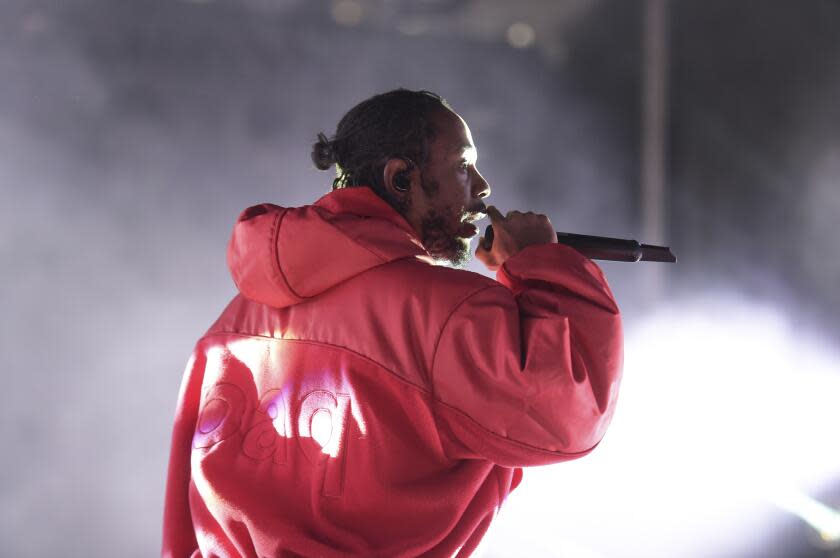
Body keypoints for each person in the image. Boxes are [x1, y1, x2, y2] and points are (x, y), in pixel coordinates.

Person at [162, 89, 623, 557]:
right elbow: (570, 414)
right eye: (463, 166)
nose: (483, 188)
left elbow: (184, 519)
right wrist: (542, 268)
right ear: (401, 177)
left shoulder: (230, 322)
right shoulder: (447, 313)